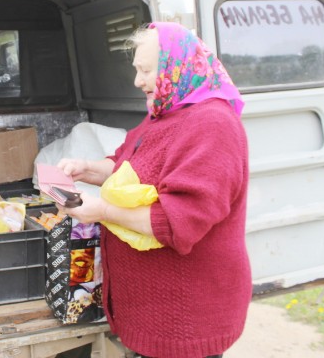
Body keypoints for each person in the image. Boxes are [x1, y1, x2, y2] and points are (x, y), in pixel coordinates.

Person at [57, 22, 251, 358]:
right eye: (137, 70)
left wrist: (101, 210)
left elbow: (179, 221)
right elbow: (127, 168)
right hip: (155, 314)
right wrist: (87, 169)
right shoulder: (166, 113)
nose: (138, 81)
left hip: (187, 319)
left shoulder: (212, 125)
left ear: (177, 67)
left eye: (146, 70)